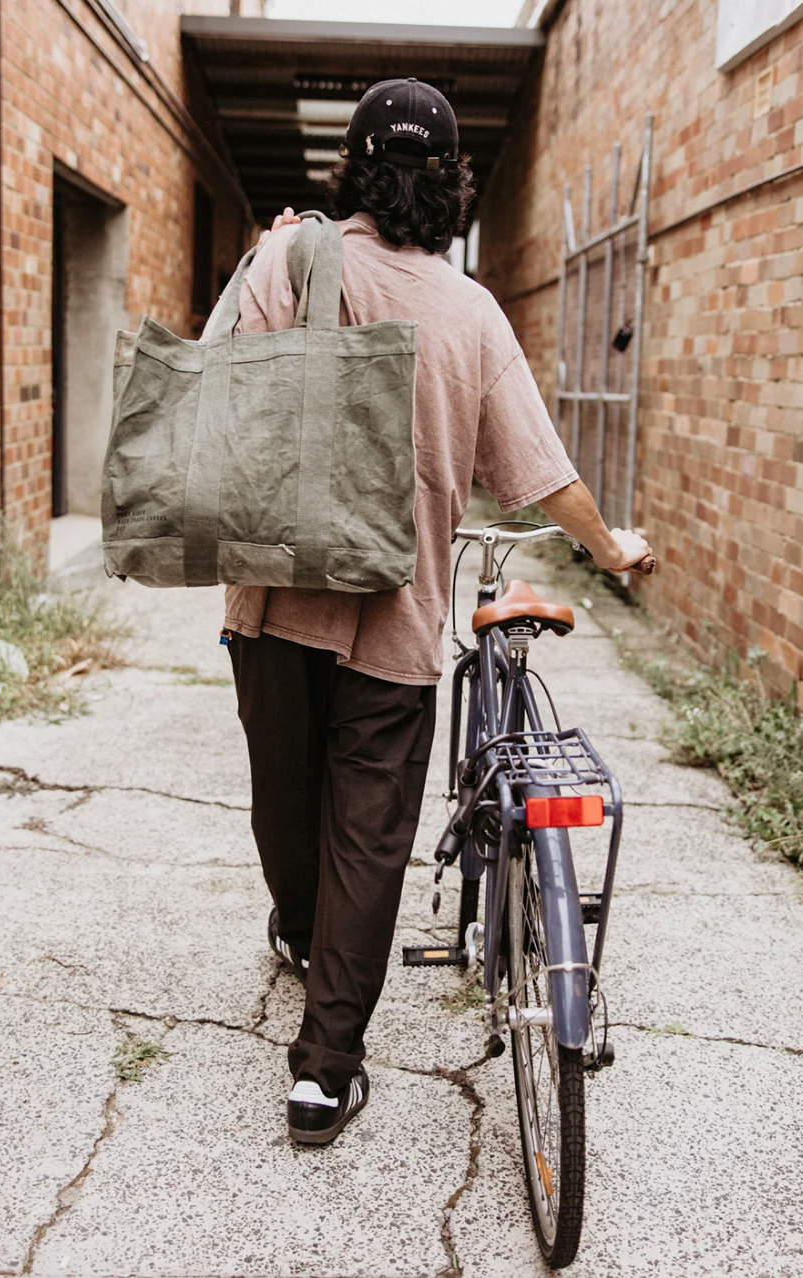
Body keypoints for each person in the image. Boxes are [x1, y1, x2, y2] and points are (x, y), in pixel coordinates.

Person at [223, 78, 651, 1145]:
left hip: (272, 602)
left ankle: (296, 925)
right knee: (367, 838)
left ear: (354, 170)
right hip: (395, 621)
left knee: (285, 802)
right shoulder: (470, 311)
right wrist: (612, 548)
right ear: (451, 187)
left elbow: (217, 387)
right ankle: (324, 1074)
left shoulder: (291, 257)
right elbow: (540, 472)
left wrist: (264, 256)